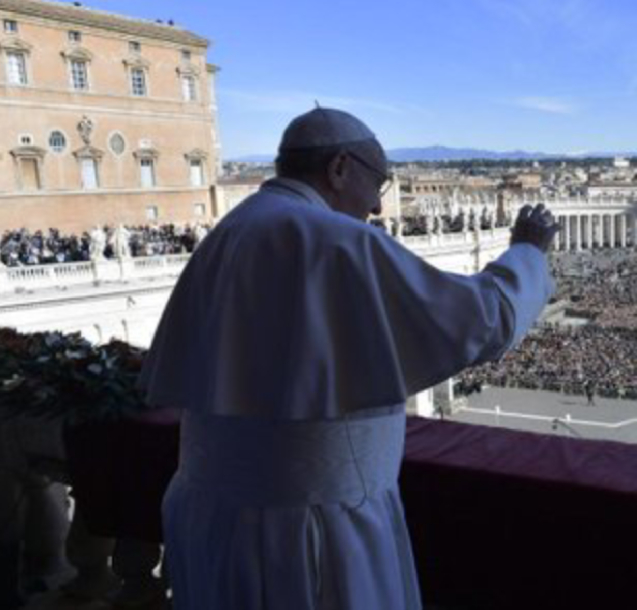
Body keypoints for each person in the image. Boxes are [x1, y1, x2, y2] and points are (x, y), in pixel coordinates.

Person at [136, 107, 560, 609]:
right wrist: (527, 254)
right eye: (377, 184)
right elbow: (481, 321)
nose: (378, 207)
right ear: (340, 167)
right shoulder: (337, 240)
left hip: (210, 517)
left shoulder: (229, 231)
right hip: (315, 529)